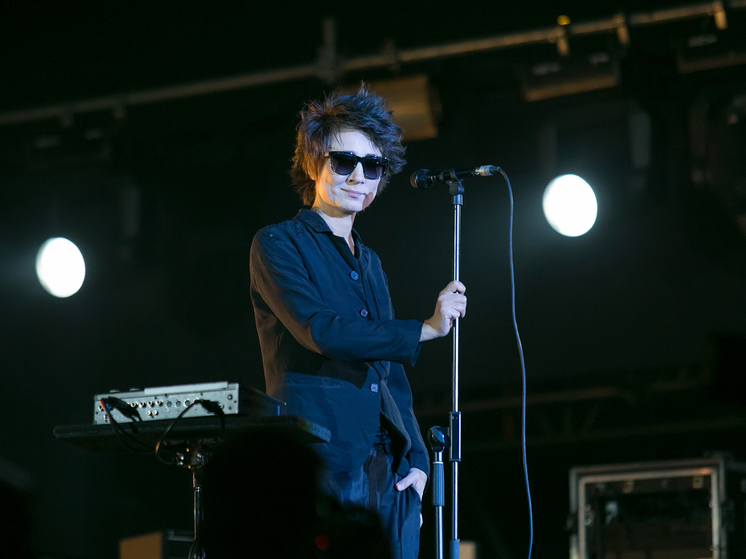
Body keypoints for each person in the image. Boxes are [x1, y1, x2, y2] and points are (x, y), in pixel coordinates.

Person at [249, 85, 467, 559]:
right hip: (322, 457)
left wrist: (416, 460)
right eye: (344, 161)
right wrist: (424, 328)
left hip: (388, 468)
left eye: (372, 166)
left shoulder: (369, 262)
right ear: (314, 164)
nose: (358, 177)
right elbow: (319, 330)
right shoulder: (278, 243)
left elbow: (390, 376)